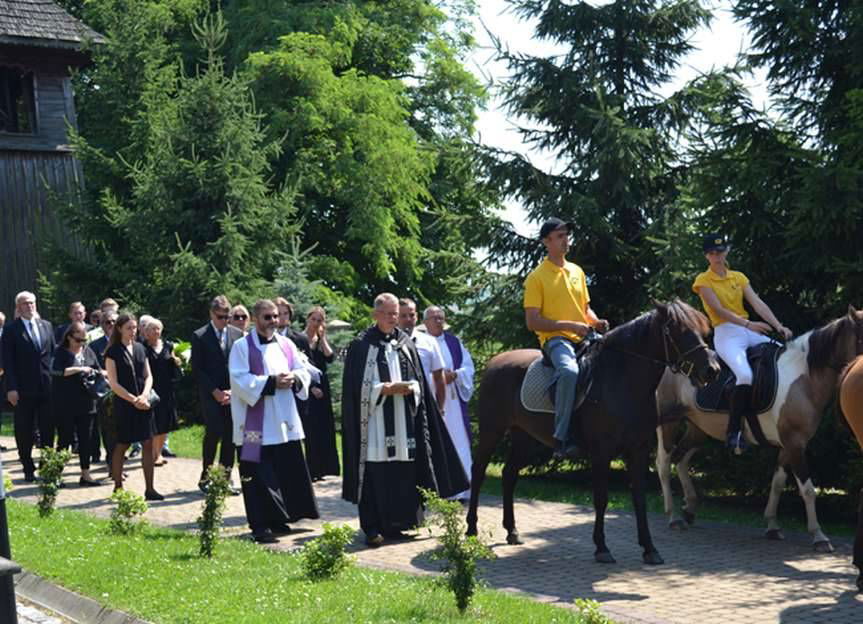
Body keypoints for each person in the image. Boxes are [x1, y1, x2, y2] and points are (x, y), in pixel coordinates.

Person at [341, 293, 468, 547]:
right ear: (376, 315)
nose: (393, 318)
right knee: (375, 475)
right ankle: (372, 528)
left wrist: (412, 388)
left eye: (395, 314)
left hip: (404, 423)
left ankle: (399, 525)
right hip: (375, 425)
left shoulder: (405, 343)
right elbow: (354, 390)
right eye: (388, 314)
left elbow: (420, 381)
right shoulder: (361, 345)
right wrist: (382, 390)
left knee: (403, 473)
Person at [692, 233, 793, 454]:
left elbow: (757, 303)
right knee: (745, 375)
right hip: (726, 334)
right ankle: (733, 432)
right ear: (706, 256)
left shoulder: (738, 277)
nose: (717, 256)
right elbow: (718, 310)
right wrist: (748, 324)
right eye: (712, 253)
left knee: (782, 354)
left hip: (748, 330)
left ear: (726, 251)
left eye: (720, 251)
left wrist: (778, 326)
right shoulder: (703, 280)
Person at [229, 299, 319, 543]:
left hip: (283, 421)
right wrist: (271, 382)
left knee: (283, 471)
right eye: (267, 317)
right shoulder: (241, 347)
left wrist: (294, 379)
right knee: (256, 474)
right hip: (254, 424)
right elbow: (238, 380)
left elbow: (303, 369)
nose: (273, 321)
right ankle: (260, 525)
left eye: (276, 316)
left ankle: (279, 518)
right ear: (255, 319)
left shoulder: (286, 344)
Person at [523, 218, 610, 461]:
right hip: (555, 341)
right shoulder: (536, 277)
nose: (566, 240)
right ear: (546, 241)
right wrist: (569, 326)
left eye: (566, 235)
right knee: (569, 371)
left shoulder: (577, 271)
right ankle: (561, 438)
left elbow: (585, 309)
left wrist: (596, 322)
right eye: (560, 236)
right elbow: (532, 321)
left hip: (584, 336)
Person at [104, 313, 162, 500]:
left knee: (148, 443)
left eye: (135, 327)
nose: (133, 331)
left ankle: (150, 489)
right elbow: (113, 383)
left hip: (144, 403)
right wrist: (133, 400)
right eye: (129, 328)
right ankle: (118, 486)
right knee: (122, 444)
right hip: (124, 404)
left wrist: (144, 396)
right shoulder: (112, 352)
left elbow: (148, 375)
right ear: (119, 329)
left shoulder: (140, 348)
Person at [191, 295, 243, 494]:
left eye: (227, 317)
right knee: (213, 433)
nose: (224, 321)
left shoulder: (237, 334)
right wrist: (214, 392)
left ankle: (224, 479)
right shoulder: (200, 335)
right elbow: (198, 369)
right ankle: (206, 476)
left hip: (232, 393)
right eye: (220, 317)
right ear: (212, 314)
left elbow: (240, 365)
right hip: (211, 393)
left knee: (230, 436)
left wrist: (234, 391)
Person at [2, 291, 56, 481]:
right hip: (23, 389)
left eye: (32, 302)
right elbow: (8, 362)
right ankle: (27, 466)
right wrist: (11, 388)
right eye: (25, 303)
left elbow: (52, 355)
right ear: (18, 307)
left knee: (48, 428)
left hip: (46, 386)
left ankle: (47, 468)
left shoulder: (46, 326)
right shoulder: (11, 330)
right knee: (24, 429)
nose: (30, 306)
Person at [423, 305, 475, 501]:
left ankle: (463, 489)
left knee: (459, 442)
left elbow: (468, 367)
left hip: (454, 402)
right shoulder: (420, 343)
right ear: (425, 322)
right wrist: (436, 380)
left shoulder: (454, 342)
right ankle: (438, 489)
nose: (438, 321)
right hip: (432, 399)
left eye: (441, 318)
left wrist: (456, 375)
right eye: (434, 318)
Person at [51, 321, 103, 486]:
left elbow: (98, 368)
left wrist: (101, 373)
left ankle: (85, 474)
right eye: (78, 340)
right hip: (65, 403)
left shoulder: (87, 351)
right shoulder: (60, 352)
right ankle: (56, 475)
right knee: (65, 439)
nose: (81, 343)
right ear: (69, 337)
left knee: (85, 440)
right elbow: (56, 371)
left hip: (87, 403)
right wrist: (80, 369)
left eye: (84, 340)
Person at [302, 306, 340, 480]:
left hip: (322, 388)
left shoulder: (320, 340)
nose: (316, 323)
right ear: (307, 319)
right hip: (305, 386)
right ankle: (312, 469)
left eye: (319, 320)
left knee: (324, 427)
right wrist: (311, 387)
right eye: (313, 319)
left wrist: (323, 338)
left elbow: (330, 357)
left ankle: (326, 468)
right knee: (310, 429)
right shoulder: (300, 339)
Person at [142, 317, 181, 467]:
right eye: (152, 328)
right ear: (146, 332)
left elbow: (175, 365)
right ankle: (154, 454)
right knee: (154, 423)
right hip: (151, 390)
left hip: (167, 390)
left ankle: (158, 453)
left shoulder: (169, 346)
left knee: (165, 423)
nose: (156, 331)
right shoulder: (142, 348)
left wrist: (177, 361)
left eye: (158, 328)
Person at [398, 298, 446, 408]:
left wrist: (440, 408)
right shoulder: (389, 342)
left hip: (424, 403)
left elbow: (439, 377)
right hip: (398, 404)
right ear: (396, 317)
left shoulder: (429, 341)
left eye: (411, 315)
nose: (408, 319)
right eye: (403, 316)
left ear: (416, 316)